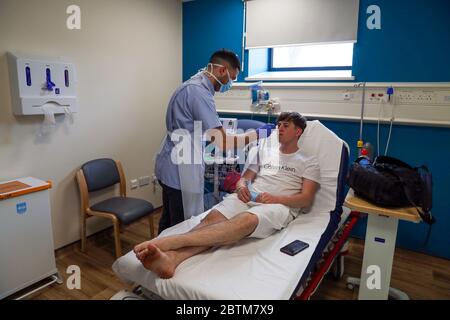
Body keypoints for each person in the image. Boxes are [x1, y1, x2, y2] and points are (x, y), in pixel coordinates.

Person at [136, 112, 320, 279]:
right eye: (279, 124)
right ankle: (172, 259)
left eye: (285, 125)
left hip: (279, 206)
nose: (279, 128)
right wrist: (240, 187)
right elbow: (245, 178)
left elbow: (306, 198)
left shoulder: (309, 161)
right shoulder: (265, 151)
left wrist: (275, 199)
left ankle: (170, 242)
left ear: (298, 131)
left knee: (244, 221)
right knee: (210, 220)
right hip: (249, 197)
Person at [155, 49, 275, 233]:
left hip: (168, 162)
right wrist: (257, 134)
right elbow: (223, 143)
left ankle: (155, 251)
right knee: (178, 225)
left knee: (168, 219)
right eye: (231, 78)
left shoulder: (190, 85)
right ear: (221, 70)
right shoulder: (199, 93)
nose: (229, 84)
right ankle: (168, 256)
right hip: (180, 168)